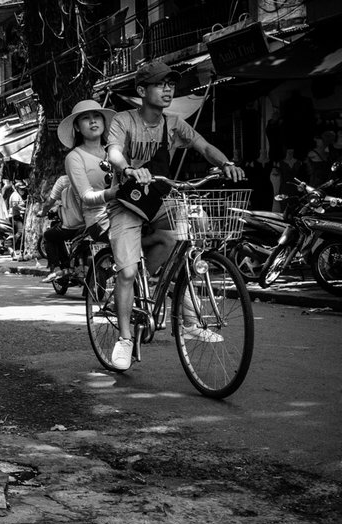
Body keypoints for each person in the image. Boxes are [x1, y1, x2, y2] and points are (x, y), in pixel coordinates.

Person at [105, 61, 246, 371]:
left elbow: (204, 146)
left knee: (187, 239)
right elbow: (114, 151)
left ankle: (183, 313)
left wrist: (225, 164)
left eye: (170, 83)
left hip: (161, 199)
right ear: (142, 91)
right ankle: (126, 339)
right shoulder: (123, 120)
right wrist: (128, 169)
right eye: (160, 84)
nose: (167, 89)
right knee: (127, 273)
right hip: (127, 202)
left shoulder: (175, 123)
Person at [43, 99, 116, 283]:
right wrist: (116, 192)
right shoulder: (75, 158)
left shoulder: (115, 152)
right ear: (76, 126)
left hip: (120, 213)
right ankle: (61, 267)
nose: (93, 121)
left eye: (97, 116)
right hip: (97, 219)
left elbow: (49, 203)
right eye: (86, 118)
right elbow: (86, 196)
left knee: (165, 236)